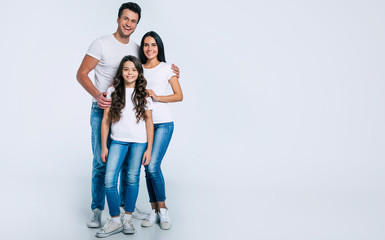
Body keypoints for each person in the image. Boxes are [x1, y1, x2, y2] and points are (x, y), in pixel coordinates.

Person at [76, 2, 179, 228]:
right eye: (125, 18)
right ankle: (97, 209)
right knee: (101, 162)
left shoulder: (135, 48)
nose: (128, 23)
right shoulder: (101, 43)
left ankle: (125, 209)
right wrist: (98, 95)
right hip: (102, 110)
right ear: (118, 18)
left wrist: (170, 69)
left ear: (136, 24)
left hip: (127, 115)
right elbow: (81, 73)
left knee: (124, 164)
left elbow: (148, 71)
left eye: (133, 21)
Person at [95, 55, 153, 237]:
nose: (130, 73)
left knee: (132, 178)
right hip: (118, 141)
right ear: (121, 71)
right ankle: (115, 220)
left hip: (139, 142)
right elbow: (105, 121)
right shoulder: (112, 91)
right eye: (126, 69)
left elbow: (149, 122)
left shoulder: (144, 93)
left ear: (139, 72)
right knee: (109, 180)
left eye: (134, 69)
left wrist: (149, 149)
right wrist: (104, 146)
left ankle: (127, 217)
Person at [138, 31, 183, 230]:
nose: (149, 49)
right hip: (142, 124)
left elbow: (179, 95)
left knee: (153, 166)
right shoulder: (138, 68)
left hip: (163, 123)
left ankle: (163, 210)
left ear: (159, 47)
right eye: (146, 45)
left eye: (153, 45)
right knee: (147, 167)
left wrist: (157, 97)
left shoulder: (167, 69)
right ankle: (154, 210)